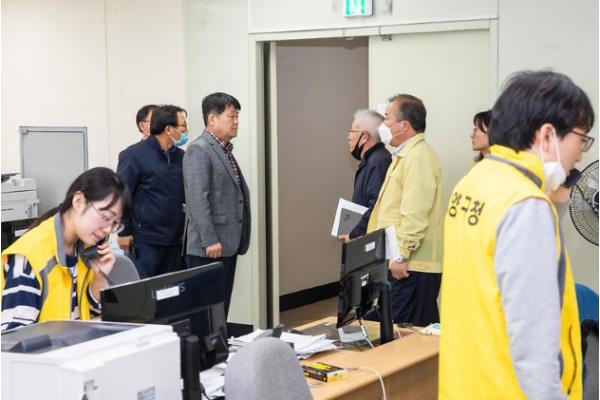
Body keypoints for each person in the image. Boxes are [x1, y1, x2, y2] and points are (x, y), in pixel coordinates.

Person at [439, 70, 595, 399]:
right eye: (581, 138)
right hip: (509, 389)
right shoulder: (525, 203)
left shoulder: (476, 180)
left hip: (467, 383)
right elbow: (533, 342)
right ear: (548, 134)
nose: (581, 153)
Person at [1, 167, 131, 331]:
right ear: (79, 202)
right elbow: (14, 337)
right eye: (106, 217)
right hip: (50, 347)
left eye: (115, 224)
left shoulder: (85, 250)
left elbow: (89, 316)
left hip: (76, 343)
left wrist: (99, 279)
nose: (107, 229)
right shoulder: (29, 257)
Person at [366, 94, 443, 326]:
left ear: (404, 125)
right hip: (405, 263)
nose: (383, 125)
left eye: (387, 118)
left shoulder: (418, 157)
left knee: (406, 332)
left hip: (411, 265)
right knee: (409, 328)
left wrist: (401, 255)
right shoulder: (405, 155)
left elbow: (414, 213)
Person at [183, 92, 250, 318]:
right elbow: (197, 199)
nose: (236, 121)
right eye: (232, 116)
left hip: (226, 243)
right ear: (212, 119)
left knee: (220, 309)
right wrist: (210, 239)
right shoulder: (199, 149)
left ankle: (219, 341)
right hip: (208, 248)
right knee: (206, 314)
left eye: (237, 116)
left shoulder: (223, 150)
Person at [116, 104, 188, 278]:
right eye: (183, 126)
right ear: (169, 129)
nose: (186, 131)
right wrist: (123, 231)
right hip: (145, 241)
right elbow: (121, 195)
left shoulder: (181, 156)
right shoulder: (134, 155)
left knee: (170, 291)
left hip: (174, 242)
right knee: (143, 290)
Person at [339, 109, 391, 241]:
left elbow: (375, 206)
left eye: (351, 131)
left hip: (368, 241)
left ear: (364, 137)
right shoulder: (372, 160)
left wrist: (355, 234)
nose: (348, 137)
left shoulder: (378, 162)